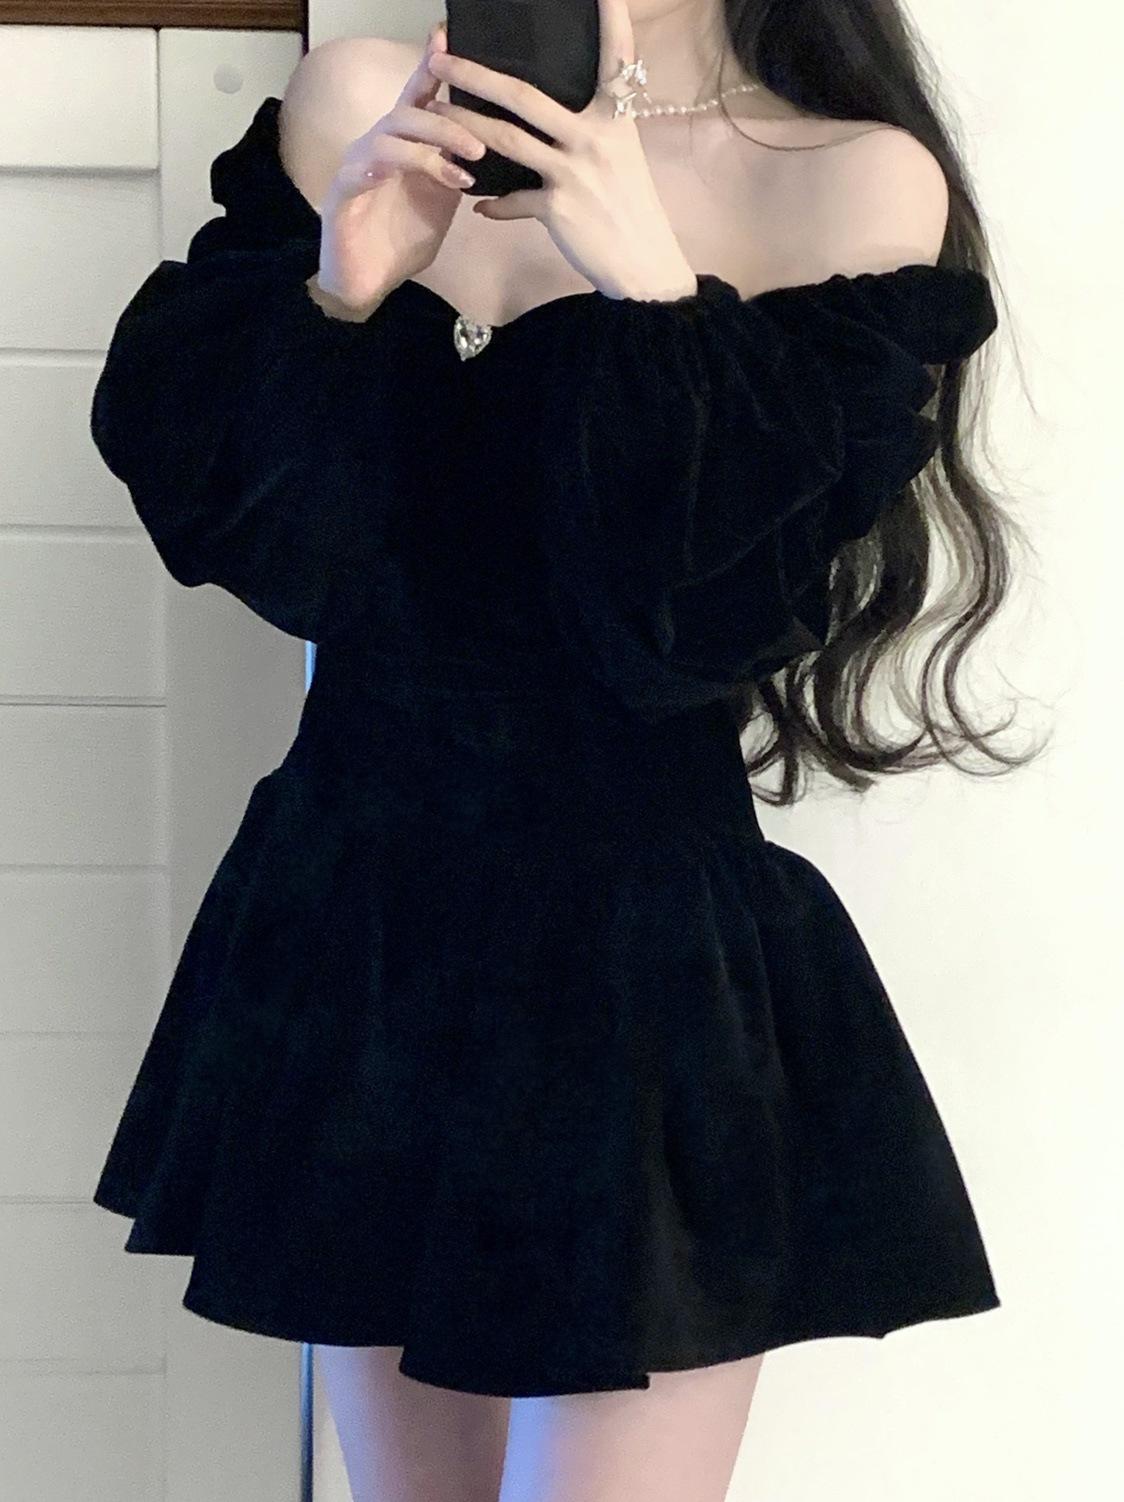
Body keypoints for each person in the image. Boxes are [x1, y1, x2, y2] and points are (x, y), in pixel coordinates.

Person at [89, 2, 1020, 1499]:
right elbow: (275, 551)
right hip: (358, 936)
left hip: (636, 972)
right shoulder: (358, 98)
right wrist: (340, 295)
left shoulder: (845, 177)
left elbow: (694, 623)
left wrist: (654, 289)